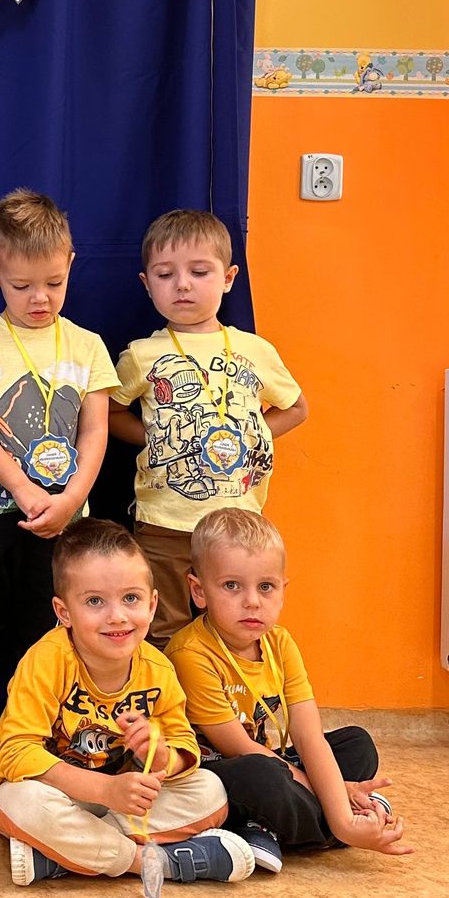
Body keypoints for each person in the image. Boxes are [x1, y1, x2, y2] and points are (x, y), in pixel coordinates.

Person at [0, 189, 117, 796]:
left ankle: (39, 742)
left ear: (70, 264)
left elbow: (96, 432)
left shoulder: (87, 346)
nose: (39, 298)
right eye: (21, 286)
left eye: (53, 283)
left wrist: (69, 502)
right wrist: (21, 487)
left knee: (47, 634)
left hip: (64, 520)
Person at [0, 518, 255, 888]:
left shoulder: (158, 669)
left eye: (131, 598)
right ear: (64, 612)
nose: (117, 616)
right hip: (61, 793)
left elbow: (185, 747)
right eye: (94, 601)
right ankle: (150, 861)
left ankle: (65, 854)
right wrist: (103, 791)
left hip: (124, 799)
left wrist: (160, 756)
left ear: (152, 603)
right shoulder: (47, 660)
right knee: (15, 802)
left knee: (210, 791)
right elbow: (15, 752)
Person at [166, 507, 409, 869]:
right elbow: (239, 749)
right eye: (232, 586)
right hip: (218, 773)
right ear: (199, 591)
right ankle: (335, 827)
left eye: (266, 587)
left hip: (271, 762)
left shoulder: (280, 643)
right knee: (262, 776)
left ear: (282, 590)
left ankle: (285, 826)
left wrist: (329, 791)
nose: (252, 601)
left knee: (356, 744)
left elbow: (310, 736)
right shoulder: (190, 653)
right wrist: (339, 803)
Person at [110, 208, 306, 643]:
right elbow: (109, 413)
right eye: (165, 274)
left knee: (235, 624)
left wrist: (249, 437)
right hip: (164, 521)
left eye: (199, 272)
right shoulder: (141, 354)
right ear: (147, 284)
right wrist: (155, 438)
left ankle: (223, 690)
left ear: (229, 278)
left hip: (238, 523)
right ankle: (168, 692)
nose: (182, 284)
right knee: (161, 626)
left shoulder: (255, 350)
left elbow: (295, 407)